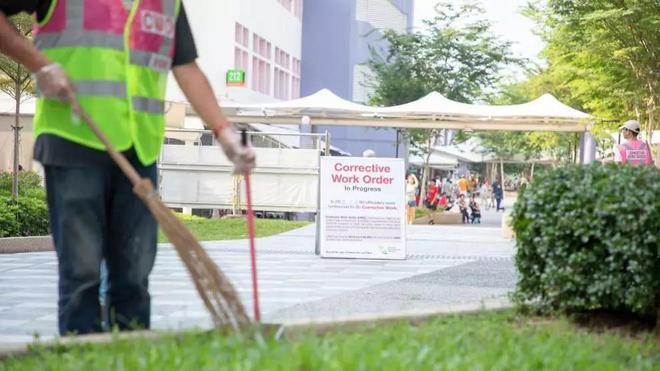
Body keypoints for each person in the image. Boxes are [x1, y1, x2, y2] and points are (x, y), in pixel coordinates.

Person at [0, 2, 255, 336]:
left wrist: (225, 133)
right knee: (83, 273)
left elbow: (186, 68)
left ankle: (130, 356)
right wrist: (39, 64)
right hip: (73, 141)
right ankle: (84, 359)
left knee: (133, 276)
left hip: (139, 149)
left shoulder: (167, 4)